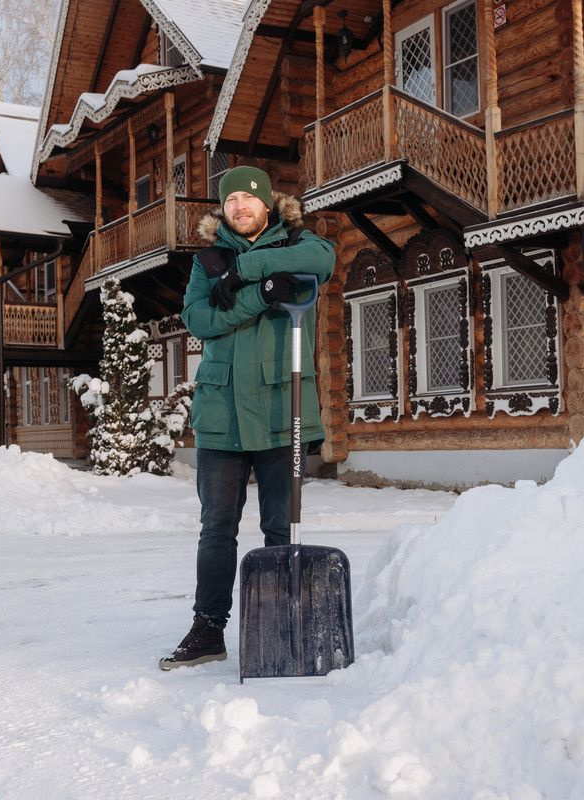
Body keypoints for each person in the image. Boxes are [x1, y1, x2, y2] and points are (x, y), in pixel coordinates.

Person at [159, 166, 335, 670]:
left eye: (248, 198)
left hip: (282, 409)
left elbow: (323, 260)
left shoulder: (300, 243)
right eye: (231, 199)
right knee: (217, 527)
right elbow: (200, 320)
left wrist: (242, 273)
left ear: (267, 202)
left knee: (282, 527)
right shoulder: (207, 259)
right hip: (222, 415)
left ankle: (282, 621)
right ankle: (208, 629)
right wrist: (259, 294)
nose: (239, 206)